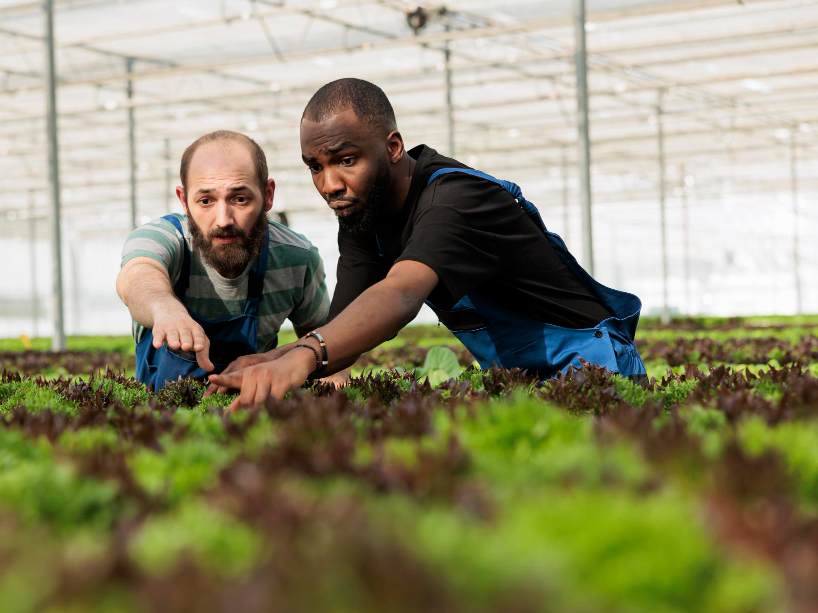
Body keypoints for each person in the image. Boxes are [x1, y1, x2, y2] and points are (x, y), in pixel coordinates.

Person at [206, 78, 647, 408]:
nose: (330, 184)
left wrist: (302, 356)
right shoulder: (363, 216)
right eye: (315, 167)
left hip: (593, 368)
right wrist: (273, 359)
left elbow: (400, 295)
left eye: (346, 160)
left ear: (393, 146)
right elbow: (343, 329)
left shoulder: (453, 201)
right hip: (521, 378)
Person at [116, 130, 334, 391]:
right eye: (206, 201)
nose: (223, 220)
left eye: (240, 199)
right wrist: (165, 308)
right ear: (184, 201)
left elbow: (327, 345)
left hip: (255, 421)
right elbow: (138, 276)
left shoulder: (297, 259)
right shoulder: (164, 238)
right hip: (163, 422)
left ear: (268, 194)